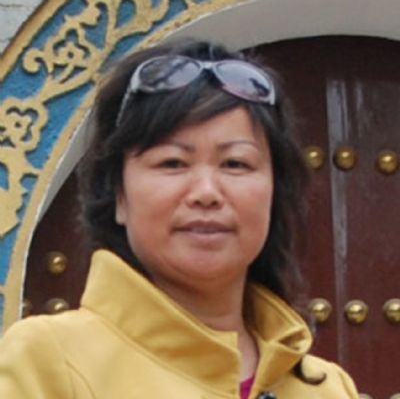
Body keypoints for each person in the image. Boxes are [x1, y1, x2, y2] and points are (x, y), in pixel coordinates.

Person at [0, 38, 358, 398]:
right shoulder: (48, 360)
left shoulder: (327, 387)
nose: (206, 192)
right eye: (172, 163)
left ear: (274, 192)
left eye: (235, 164)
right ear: (119, 195)